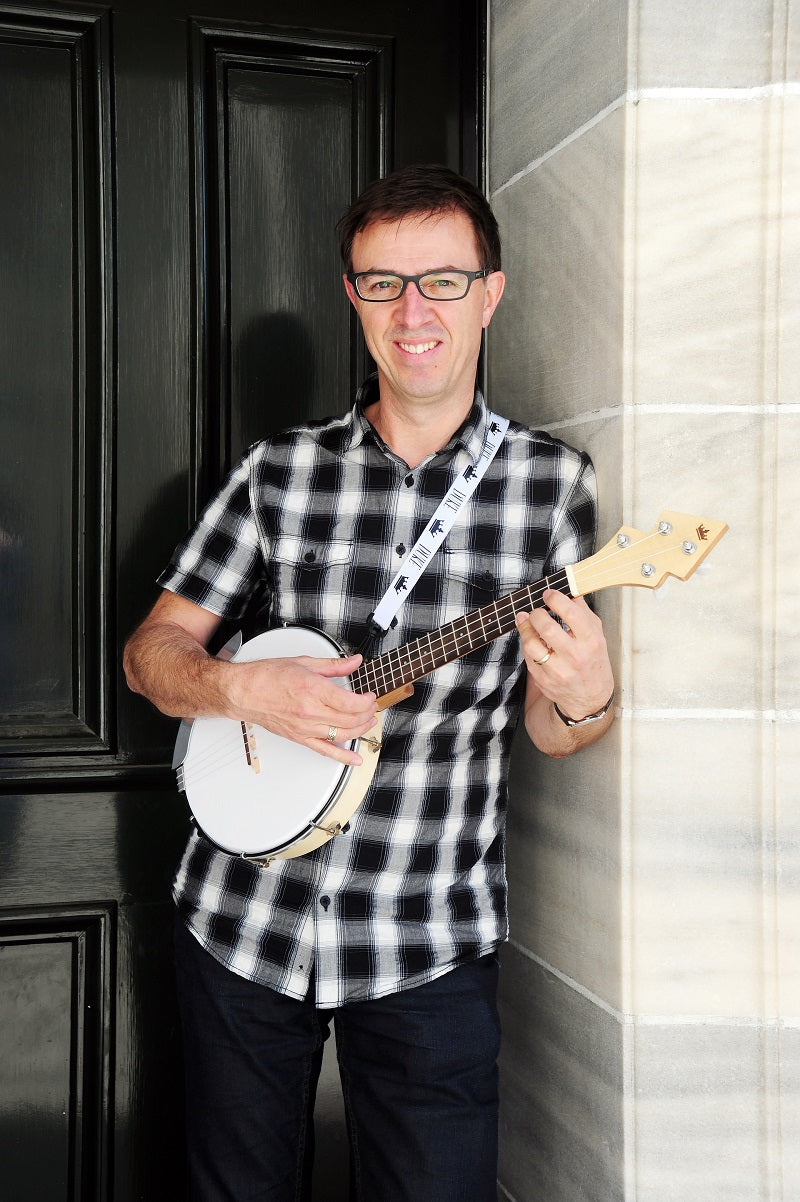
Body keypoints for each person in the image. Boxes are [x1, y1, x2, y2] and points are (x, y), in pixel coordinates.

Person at [123, 163, 615, 1202]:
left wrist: (585, 695)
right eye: (382, 282)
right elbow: (152, 654)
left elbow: (553, 728)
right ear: (352, 297)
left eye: (441, 280)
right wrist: (245, 691)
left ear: (489, 291)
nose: (413, 311)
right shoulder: (277, 471)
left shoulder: (550, 487)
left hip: (425, 935)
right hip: (242, 922)